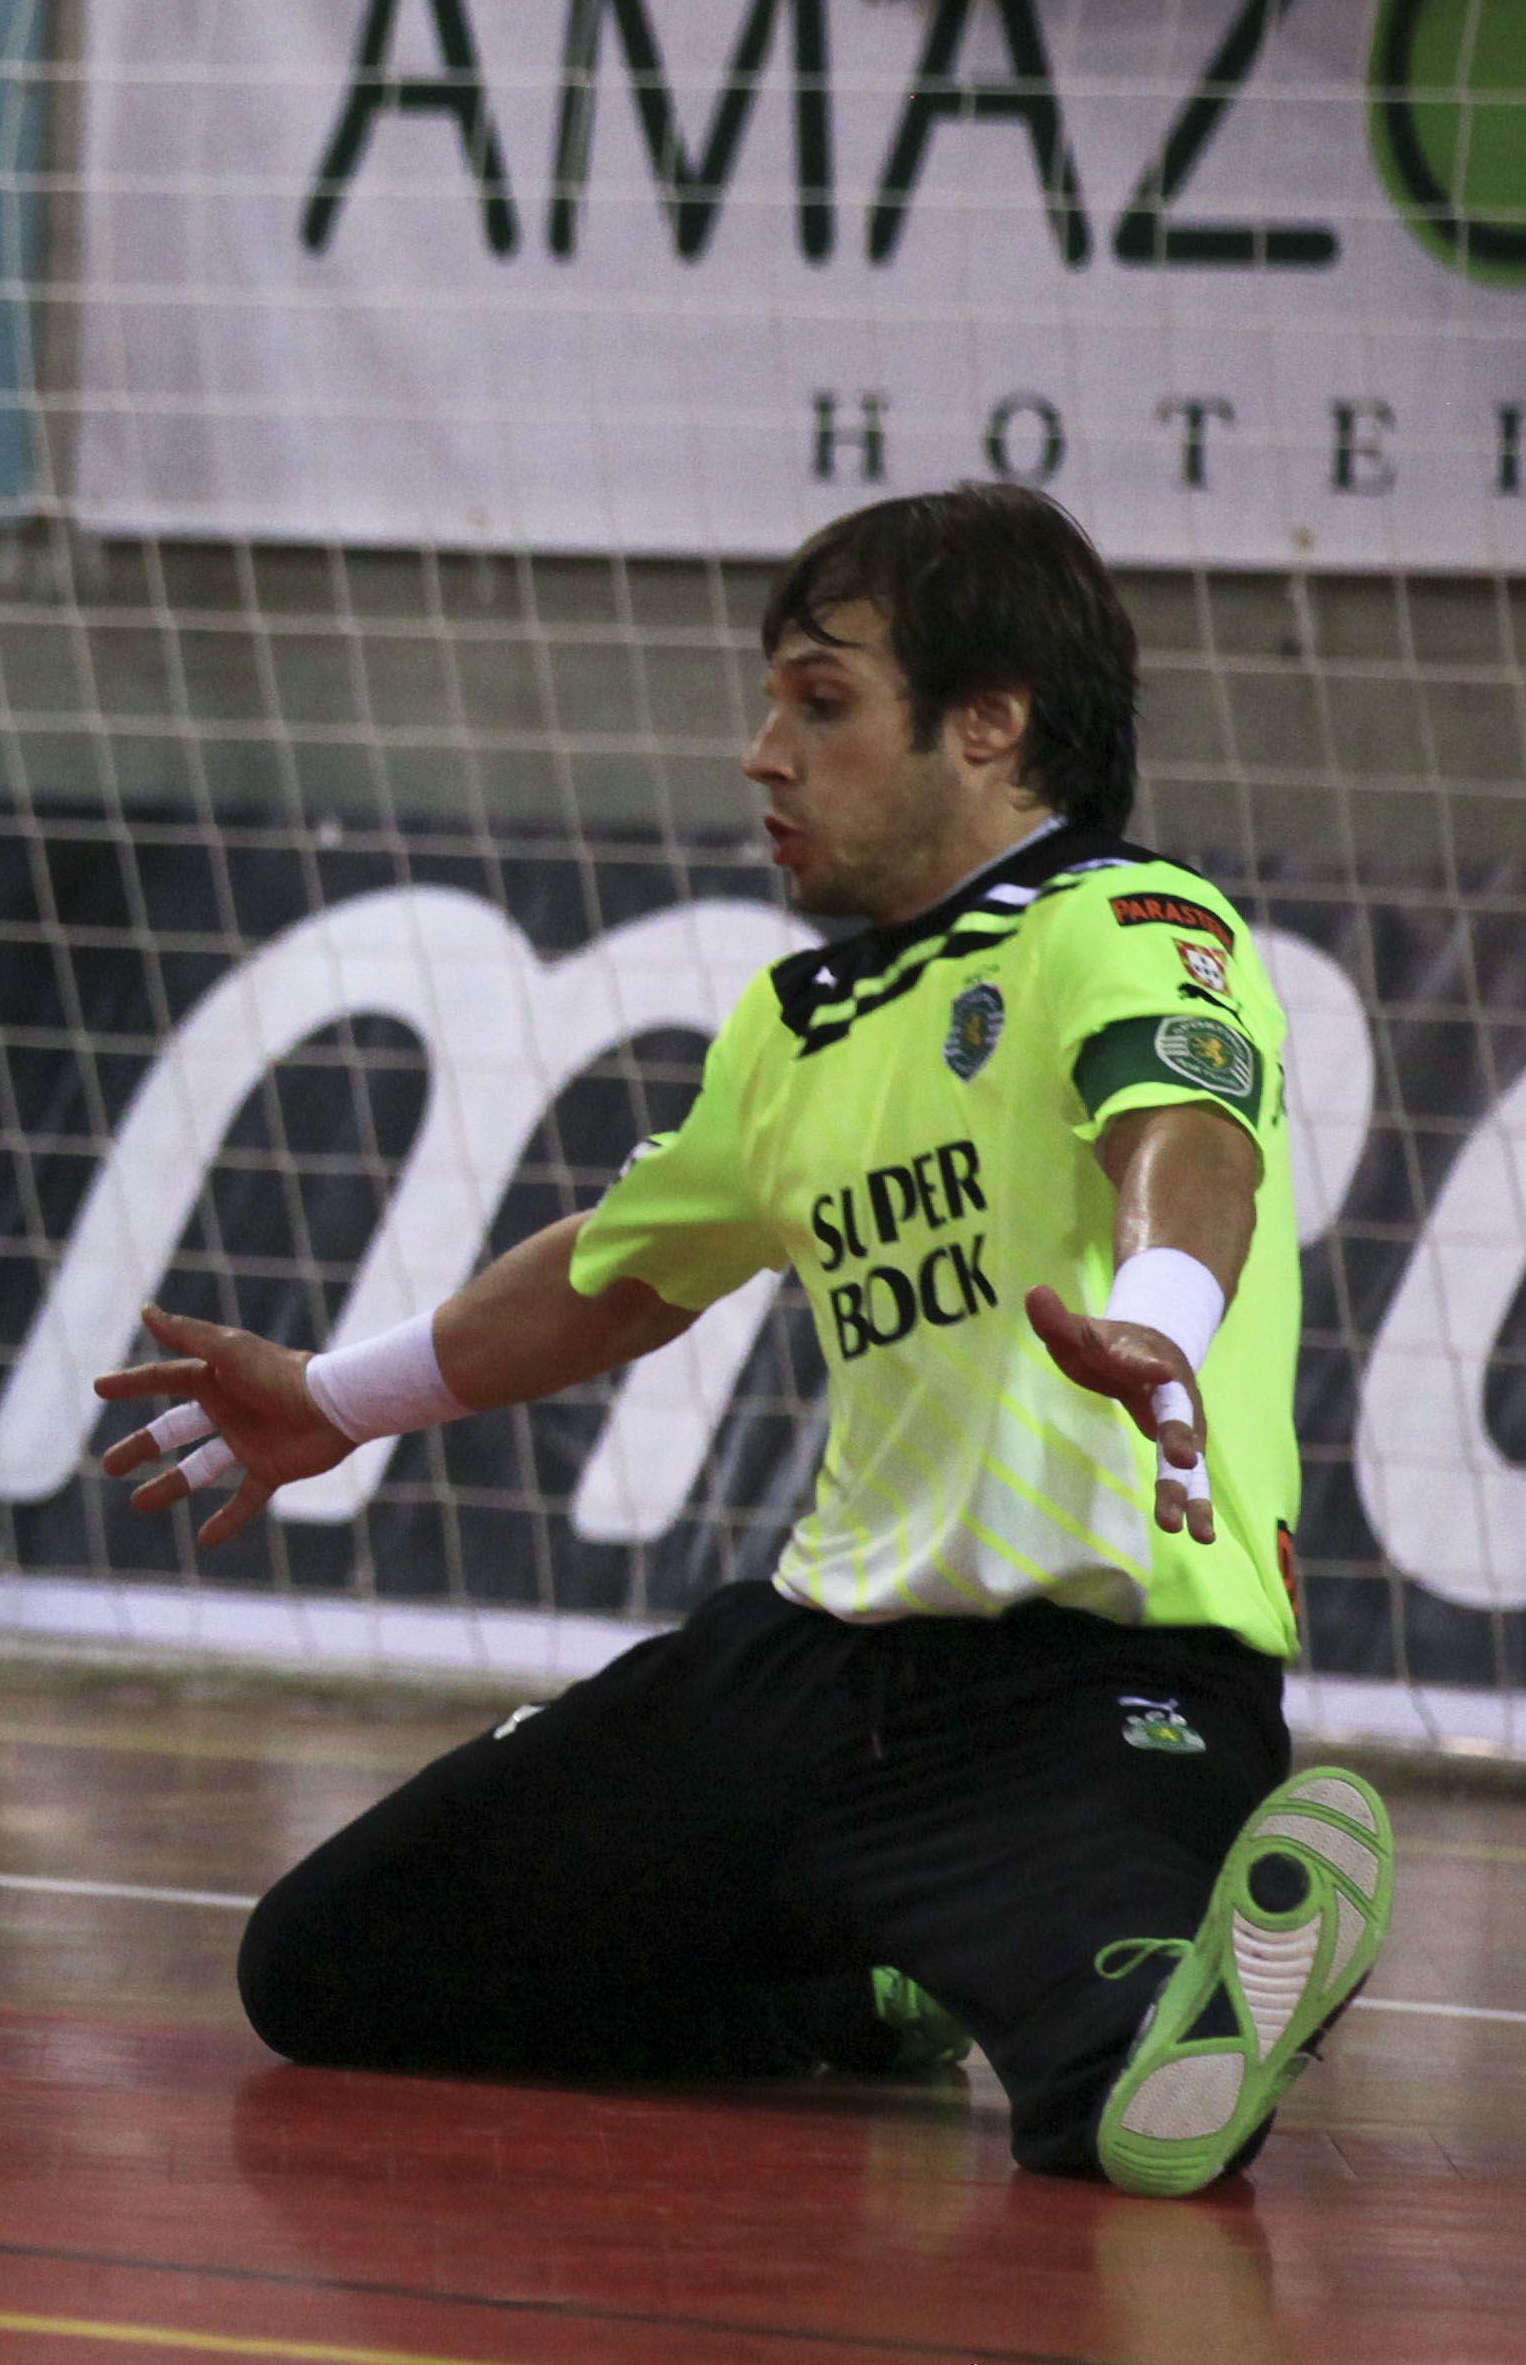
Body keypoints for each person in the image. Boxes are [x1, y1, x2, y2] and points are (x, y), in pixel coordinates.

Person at [96, 484, 1392, 2200]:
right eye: (774, 702)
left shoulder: (1128, 922)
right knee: (326, 1966)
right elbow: (625, 1276)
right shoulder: (799, 1025)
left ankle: (1188, 1965)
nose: (764, 752)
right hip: (802, 1679)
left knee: (1116, 2114)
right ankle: (864, 1988)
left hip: (1098, 1684)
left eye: (821, 700)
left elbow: (1189, 1139)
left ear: (990, 723)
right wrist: (335, 1401)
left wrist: (1156, 1316)